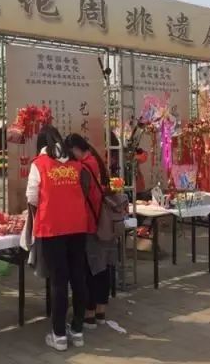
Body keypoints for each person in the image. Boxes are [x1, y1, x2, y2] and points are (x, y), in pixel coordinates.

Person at [26, 125, 88, 351]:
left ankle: (59, 335)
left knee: (59, 281)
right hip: (77, 226)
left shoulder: (39, 164)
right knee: (78, 277)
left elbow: (32, 197)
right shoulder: (76, 164)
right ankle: (78, 331)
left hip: (52, 227)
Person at [65, 133, 117, 329]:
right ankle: (101, 311)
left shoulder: (82, 168)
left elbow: (78, 197)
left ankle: (89, 313)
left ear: (75, 149)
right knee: (102, 267)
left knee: (89, 270)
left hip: (89, 224)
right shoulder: (97, 162)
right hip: (103, 222)